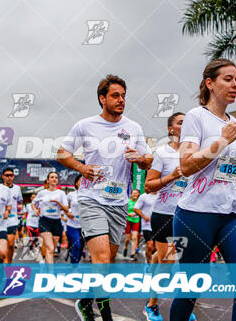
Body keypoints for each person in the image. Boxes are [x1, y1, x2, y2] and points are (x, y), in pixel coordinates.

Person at [57, 74, 152, 321]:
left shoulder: (134, 128)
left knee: (106, 263)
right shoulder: (85, 125)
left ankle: (86, 302)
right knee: (101, 259)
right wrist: (82, 168)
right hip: (91, 199)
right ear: (102, 99)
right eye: (115, 96)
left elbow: (148, 161)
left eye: (123, 96)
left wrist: (140, 159)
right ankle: (106, 317)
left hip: (119, 203)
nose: (121, 100)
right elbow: (61, 154)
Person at [170, 59, 236, 321]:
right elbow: (186, 165)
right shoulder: (196, 117)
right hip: (195, 214)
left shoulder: (235, 123)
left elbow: (223, 170)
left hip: (231, 214)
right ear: (210, 83)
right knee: (191, 290)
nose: (235, 85)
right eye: (228, 79)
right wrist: (222, 140)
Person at [144, 112, 193, 321]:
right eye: (181, 123)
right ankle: (151, 306)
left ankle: (184, 309)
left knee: (183, 263)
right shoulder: (162, 153)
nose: (186, 126)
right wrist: (171, 176)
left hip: (188, 215)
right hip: (164, 214)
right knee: (170, 262)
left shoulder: (194, 153)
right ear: (171, 129)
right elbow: (148, 186)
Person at [32, 171, 71, 264]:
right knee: (50, 247)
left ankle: (46, 264)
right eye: (52, 177)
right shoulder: (42, 193)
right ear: (48, 180)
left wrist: (58, 202)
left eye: (56, 177)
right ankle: (50, 273)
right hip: (44, 221)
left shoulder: (61, 193)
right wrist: (35, 210)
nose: (54, 179)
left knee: (51, 250)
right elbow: (33, 203)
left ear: (57, 181)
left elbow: (66, 209)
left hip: (57, 222)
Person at [1, 168, 23, 263]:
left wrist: (20, 206)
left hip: (12, 218)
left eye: (11, 175)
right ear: (3, 177)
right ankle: (1, 261)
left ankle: (8, 263)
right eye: (7, 175)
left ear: (13, 176)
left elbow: (20, 201)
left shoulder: (17, 188)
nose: (9, 177)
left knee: (10, 244)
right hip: (0, 219)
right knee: (2, 244)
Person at [66, 175, 85, 264]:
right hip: (72, 224)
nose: (83, 183)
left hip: (84, 226)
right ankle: (73, 265)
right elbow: (64, 207)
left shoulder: (88, 195)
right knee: (76, 245)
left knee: (81, 247)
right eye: (81, 181)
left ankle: (75, 263)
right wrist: (67, 213)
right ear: (76, 183)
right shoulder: (71, 195)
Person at [133, 191, 156, 263]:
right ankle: (148, 263)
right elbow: (136, 208)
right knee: (150, 246)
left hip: (158, 224)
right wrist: (144, 216)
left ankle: (153, 264)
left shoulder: (162, 194)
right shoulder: (144, 196)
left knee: (156, 248)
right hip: (147, 225)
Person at [123, 189, 141, 259]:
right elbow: (123, 211)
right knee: (128, 238)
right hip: (128, 220)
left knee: (134, 237)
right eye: (134, 193)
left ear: (138, 194)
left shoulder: (140, 202)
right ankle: (125, 247)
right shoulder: (128, 201)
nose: (135, 194)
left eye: (136, 193)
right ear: (131, 194)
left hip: (136, 221)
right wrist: (129, 214)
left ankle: (132, 254)